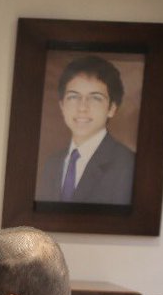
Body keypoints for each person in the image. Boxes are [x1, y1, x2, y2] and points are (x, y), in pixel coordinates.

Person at [35, 55, 135, 206]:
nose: (82, 108)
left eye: (95, 98)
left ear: (112, 108)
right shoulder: (52, 164)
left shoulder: (127, 165)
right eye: (73, 97)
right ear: (62, 106)